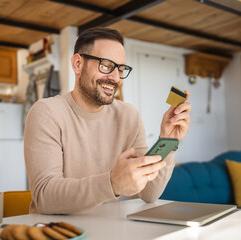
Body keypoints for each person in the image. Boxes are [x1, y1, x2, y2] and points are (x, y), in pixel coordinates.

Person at [24, 27, 191, 214]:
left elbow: (149, 193)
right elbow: (45, 197)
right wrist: (112, 183)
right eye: (105, 65)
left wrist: (168, 140)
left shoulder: (129, 115)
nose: (115, 78)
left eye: (120, 69)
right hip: (56, 230)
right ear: (78, 64)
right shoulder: (47, 112)